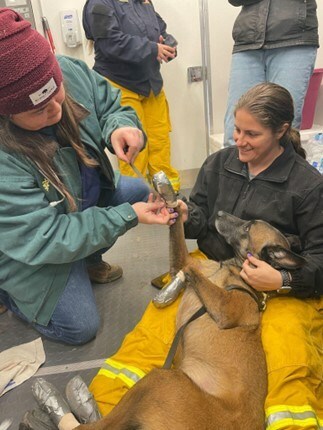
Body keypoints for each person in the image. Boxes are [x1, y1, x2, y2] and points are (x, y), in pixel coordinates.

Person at [89, 83, 323, 429]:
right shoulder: (218, 164)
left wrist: (283, 279)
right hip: (213, 268)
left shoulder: (307, 186)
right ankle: (106, 411)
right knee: (153, 330)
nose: (239, 140)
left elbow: (319, 258)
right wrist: (184, 213)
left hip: (279, 288)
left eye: (252, 134)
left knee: (288, 352)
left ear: (281, 132)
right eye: (237, 128)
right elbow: (200, 216)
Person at [0, 8, 177, 346]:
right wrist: (125, 216)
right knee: (78, 327)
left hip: (76, 202)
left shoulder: (67, 72)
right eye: (39, 109)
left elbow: (110, 104)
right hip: (34, 242)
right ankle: (9, 291)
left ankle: (86, 258)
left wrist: (122, 126)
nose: (55, 108)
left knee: (135, 190)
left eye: (58, 93)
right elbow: (45, 236)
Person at [82, 0, 181, 192]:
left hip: (151, 84)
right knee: (134, 148)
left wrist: (168, 44)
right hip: (119, 84)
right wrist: (153, 49)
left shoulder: (144, 2)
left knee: (160, 143)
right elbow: (111, 43)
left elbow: (159, 29)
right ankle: (137, 198)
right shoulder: (99, 3)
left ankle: (170, 197)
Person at [224, 0, 319, 146]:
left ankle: (282, 169)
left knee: (283, 128)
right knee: (235, 129)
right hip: (248, 41)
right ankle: (235, 169)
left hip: (294, 38)